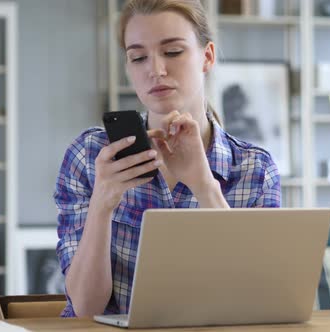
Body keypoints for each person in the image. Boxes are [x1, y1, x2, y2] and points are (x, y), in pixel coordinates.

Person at [54, 0, 281, 318]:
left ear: (207, 57)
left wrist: (205, 186)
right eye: (138, 57)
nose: (155, 70)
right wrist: (103, 202)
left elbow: (259, 300)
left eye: (172, 52)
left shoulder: (255, 170)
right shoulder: (89, 156)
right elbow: (86, 308)